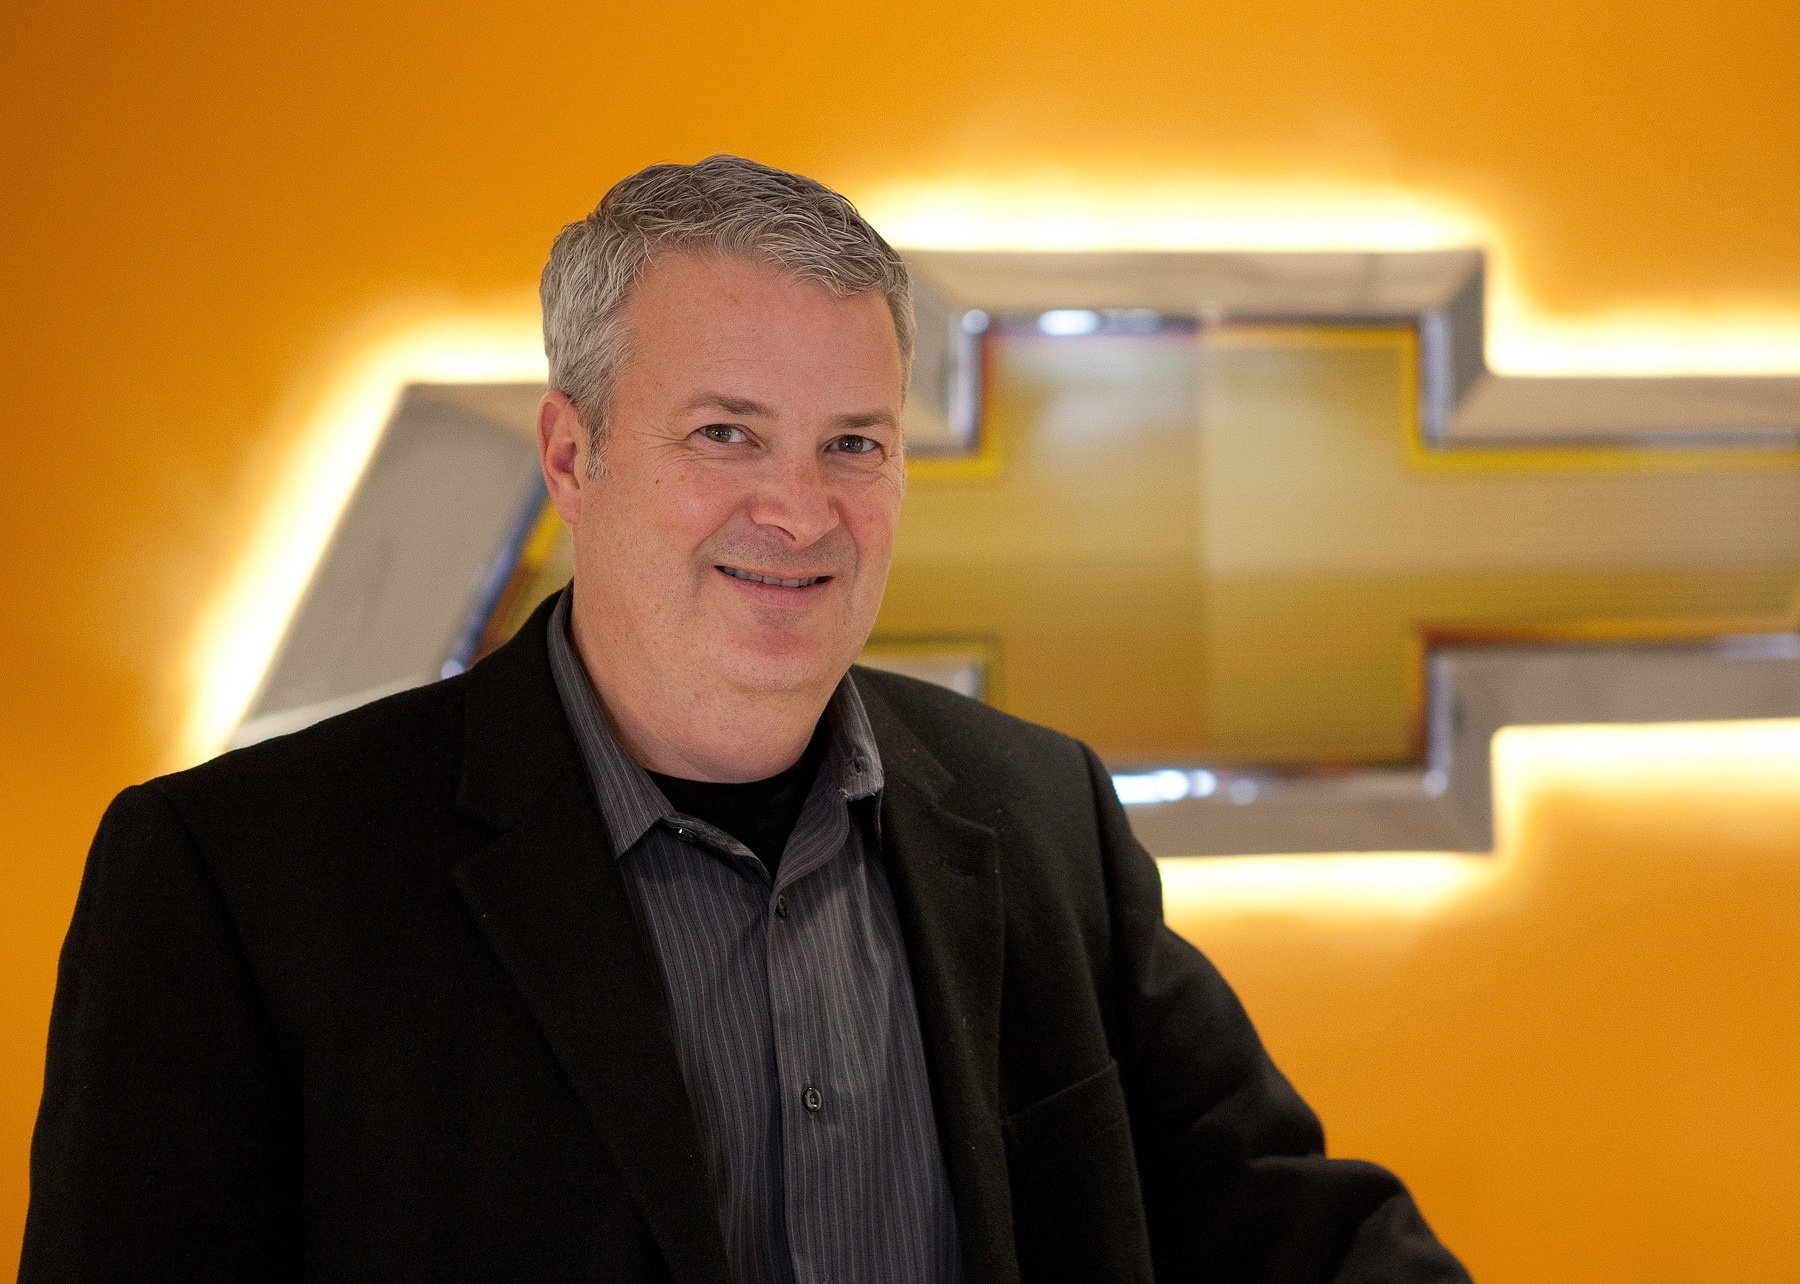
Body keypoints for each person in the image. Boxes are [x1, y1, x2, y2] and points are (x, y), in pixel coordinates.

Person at [23, 155, 1469, 1282]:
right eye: (727, 434)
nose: (799, 509)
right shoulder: (239, 879)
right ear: (571, 453)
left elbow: (1289, 1231)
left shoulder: (1039, 814)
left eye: (855, 444)